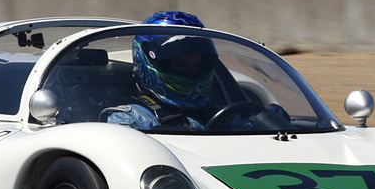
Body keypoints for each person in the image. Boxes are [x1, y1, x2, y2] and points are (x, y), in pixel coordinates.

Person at [104, 11, 266, 131]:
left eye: (197, 65)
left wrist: (271, 120)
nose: (192, 71)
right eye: (182, 65)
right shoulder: (132, 120)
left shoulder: (224, 115)